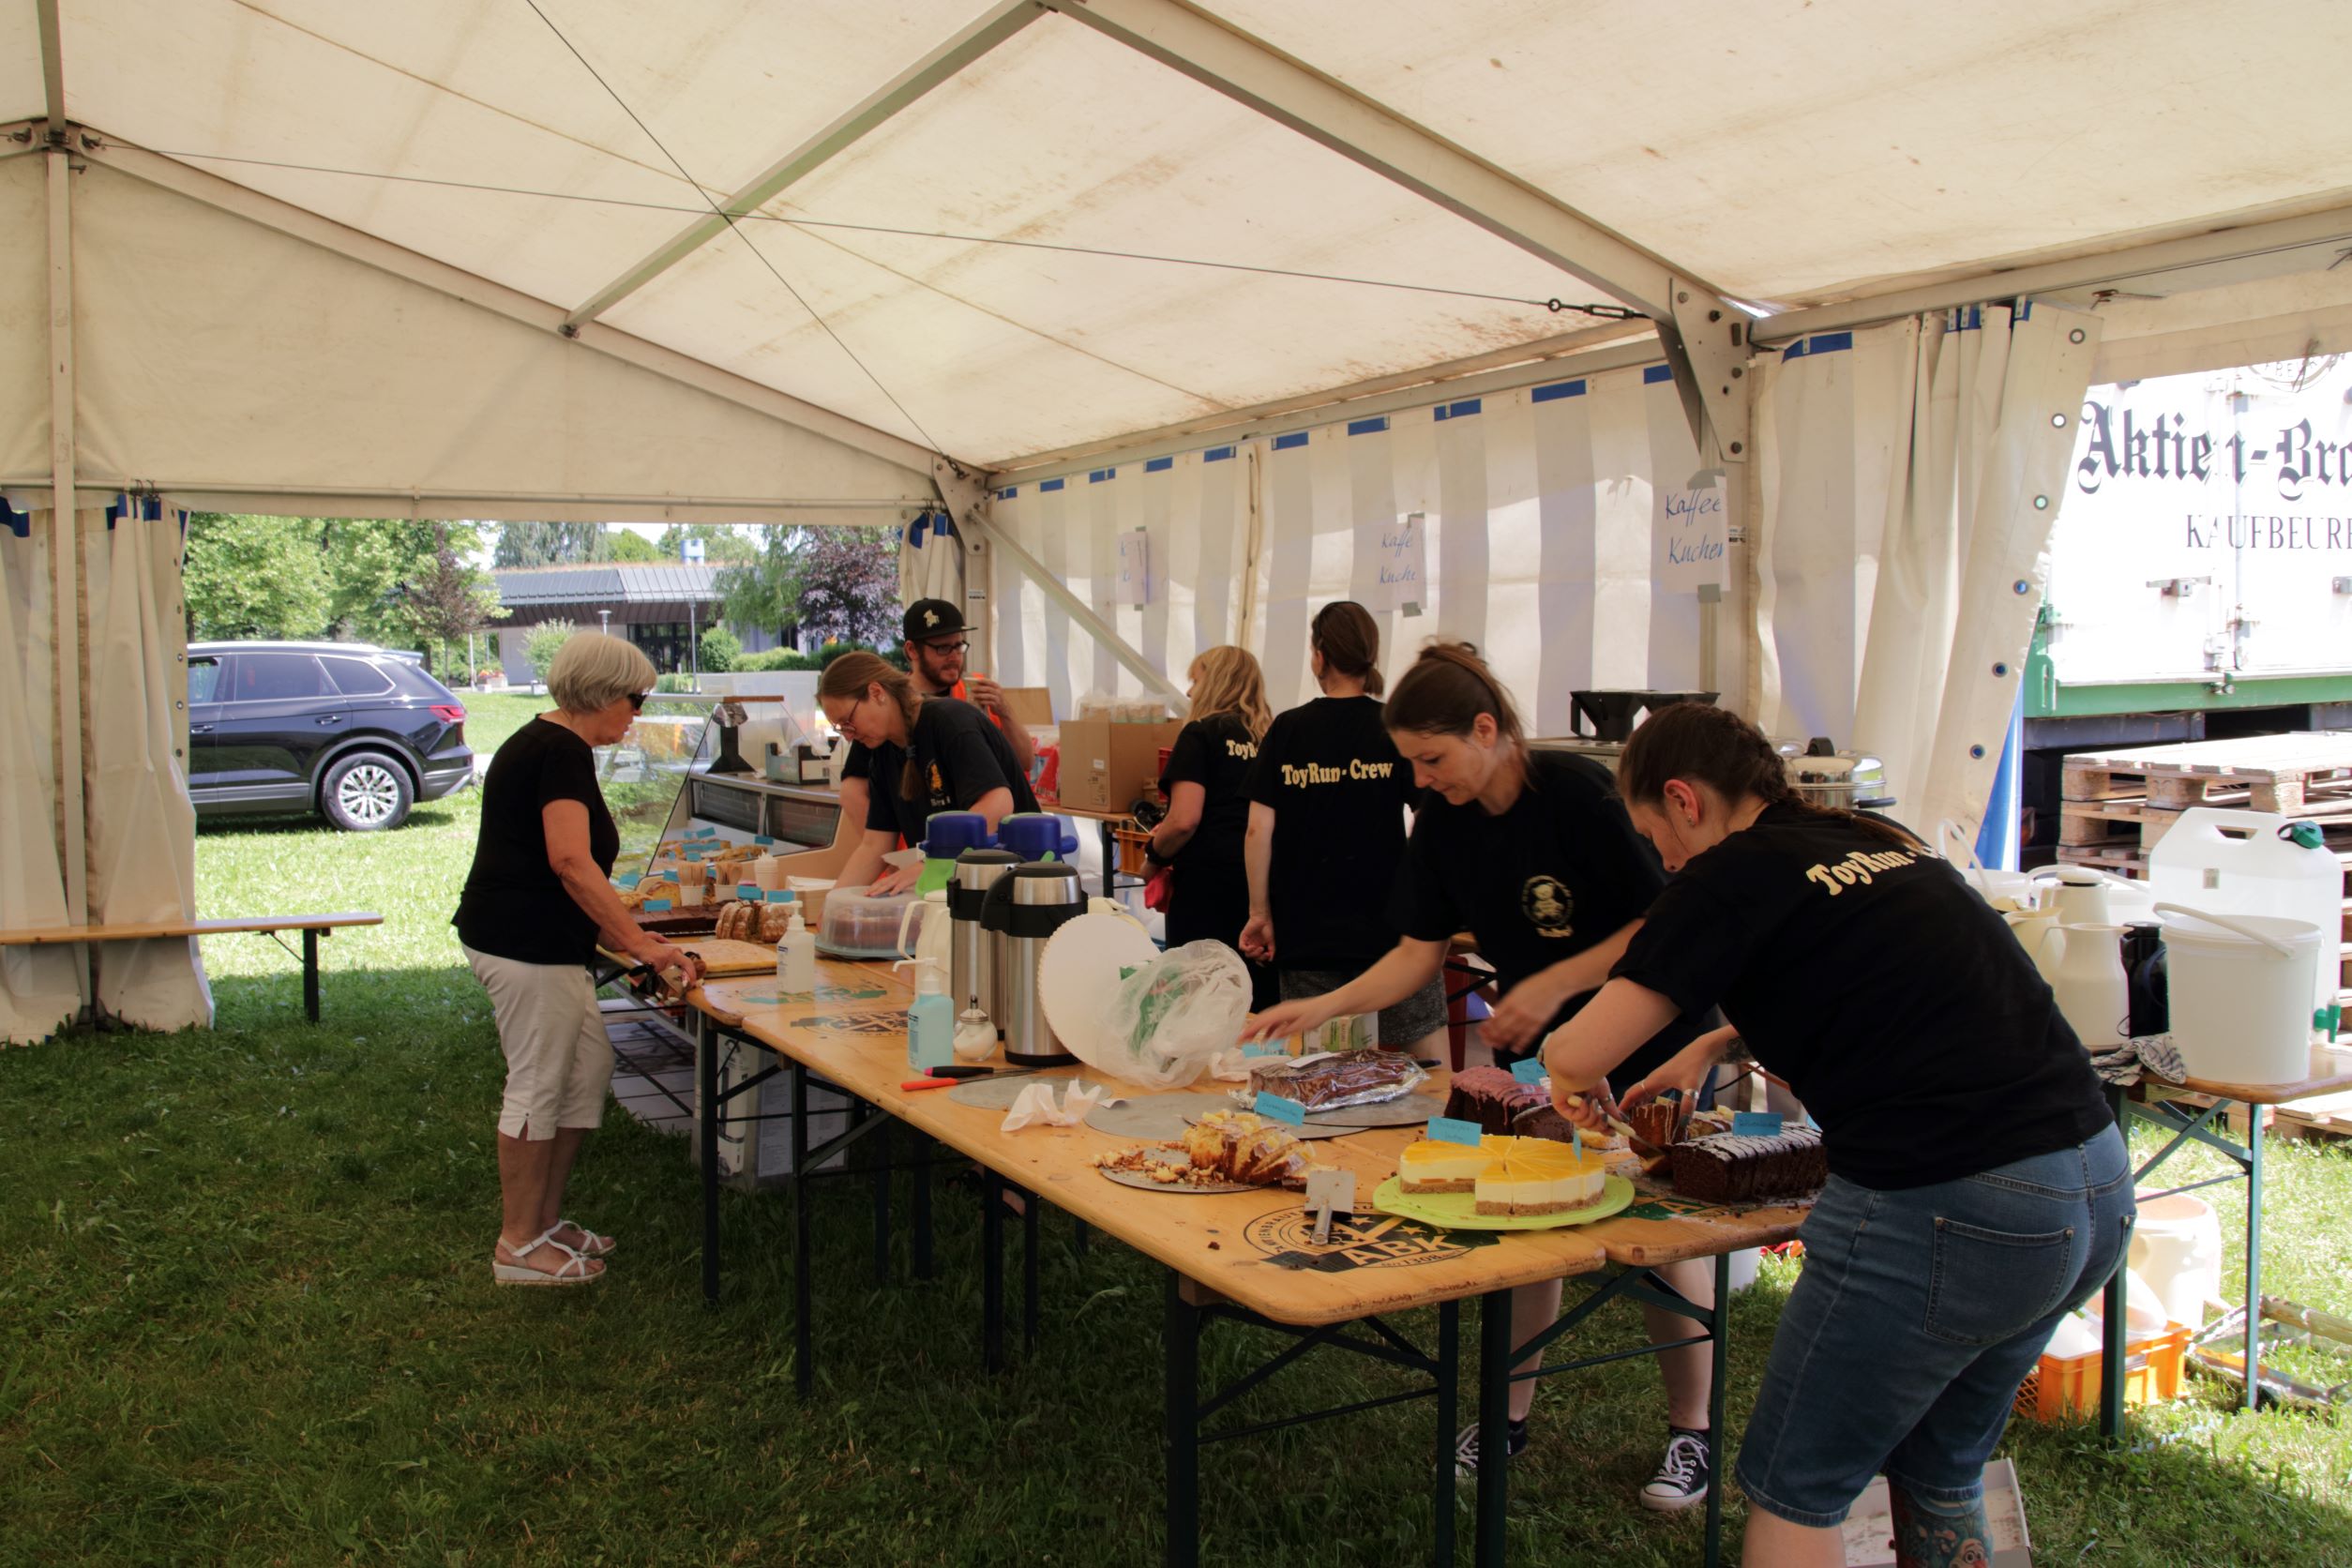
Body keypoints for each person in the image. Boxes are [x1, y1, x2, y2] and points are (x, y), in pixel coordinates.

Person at [1542, 701, 2130, 1568]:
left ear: (1683, 799)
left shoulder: (1726, 875)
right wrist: (1710, 1044)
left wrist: (1566, 1070)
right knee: (1939, 1469)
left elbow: (1577, 1050)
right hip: (2091, 1181)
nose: (1661, 859)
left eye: (1653, 835)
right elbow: (1885, 983)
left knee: (1796, 1486)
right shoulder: (1875, 839)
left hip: (1949, 1198)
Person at [1244, 641, 1725, 1507]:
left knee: (1658, 1236)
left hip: (1649, 1037)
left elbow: (1663, 922)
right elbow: (1416, 953)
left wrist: (1553, 983)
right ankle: (1507, 1415)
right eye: (1412, 765)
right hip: (1537, 1052)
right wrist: (1319, 1008)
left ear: (1486, 729)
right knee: (1525, 1219)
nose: (1421, 781)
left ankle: (1693, 1431)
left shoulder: (1578, 796)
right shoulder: (1443, 822)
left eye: (1431, 759)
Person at [454, 631, 705, 1287]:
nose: (638, 714)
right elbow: (569, 860)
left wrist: (622, 935)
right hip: (524, 943)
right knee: (539, 1084)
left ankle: (542, 1221)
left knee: (585, 1068)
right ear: (602, 693)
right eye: (635, 699)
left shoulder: (552, 743)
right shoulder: (560, 750)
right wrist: (640, 943)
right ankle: (516, 1245)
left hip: (542, 941)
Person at [1240, 600, 1445, 1057]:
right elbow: (1434, 816)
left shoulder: (1288, 729)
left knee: (1323, 1072)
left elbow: (1257, 831)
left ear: (1319, 657)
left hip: (1308, 928)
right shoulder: (1394, 728)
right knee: (1425, 1065)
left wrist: (1260, 913)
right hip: (1393, 931)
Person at [821, 652, 1038, 896]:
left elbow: (997, 804)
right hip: (961, 888)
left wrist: (930, 863)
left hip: (1021, 885)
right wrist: (832, 905)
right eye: (840, 728)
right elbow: (874, 845)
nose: (848, 735)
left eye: (848, 721)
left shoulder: (951, 722)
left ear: (876, 692)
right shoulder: (882, 751)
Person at [1146, 645, 1276, 1009]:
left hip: (1208, 885)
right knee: (1255, 999)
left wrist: (1153, 858)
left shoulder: (1201, 734)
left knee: (1200, 998)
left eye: (1195, 681)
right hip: (1263, 883)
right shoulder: (1272, 737)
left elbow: (1183, 821)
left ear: (1217, 682)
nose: (1189, 692)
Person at [901, 597, 1035, 774]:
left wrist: (1005, 712)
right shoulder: (895, 701)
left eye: (959, 646)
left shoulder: (976, 691)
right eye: (943, 648)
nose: (955, 657)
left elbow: (1025, 762)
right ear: (912, 650)